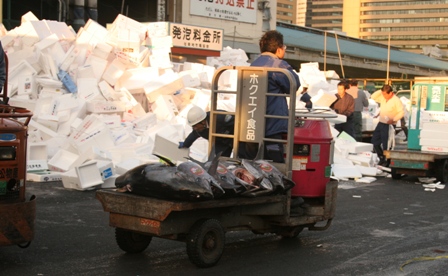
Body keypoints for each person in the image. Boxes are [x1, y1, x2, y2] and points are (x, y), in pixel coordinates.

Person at [240, 30, 300, 163]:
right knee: (274, 164)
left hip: (250, 123)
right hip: (272, 123)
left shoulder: (253, 64)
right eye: (284, 48)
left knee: (251, 163)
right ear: (279, 50)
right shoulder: (278, 65)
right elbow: (294, 84)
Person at [370, 85, 404, 166]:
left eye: (385, 94)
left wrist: (394, 119)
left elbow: (401, 112)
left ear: (391, 93)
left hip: (389, 125)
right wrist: (381, 90)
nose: (384, 96)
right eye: (383, 94)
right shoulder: (383, 98)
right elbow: (373, 96)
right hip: (381, 122)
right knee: (375, 141)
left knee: (387, 144)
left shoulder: (396, 100)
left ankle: (387, 160)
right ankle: (381, 156)